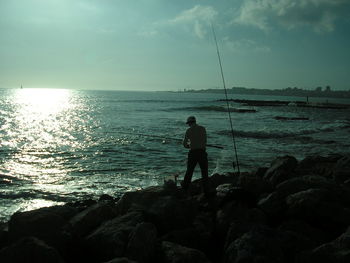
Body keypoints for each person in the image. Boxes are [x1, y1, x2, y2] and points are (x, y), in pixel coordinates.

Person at [182, 116, 209, 195]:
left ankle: (185, 188)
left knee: (189, 171)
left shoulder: (189, 130)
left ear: (190, 123)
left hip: (193, 153)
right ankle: (206, 190)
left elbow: (184, 144)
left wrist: (189, 146)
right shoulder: (203, 128)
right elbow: (204, 141)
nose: (188, 125)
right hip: (202, 152)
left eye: (188, 123)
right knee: (204, 172)